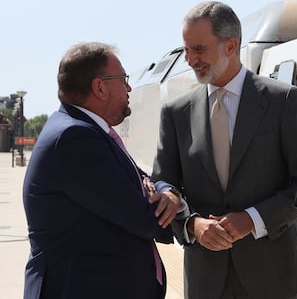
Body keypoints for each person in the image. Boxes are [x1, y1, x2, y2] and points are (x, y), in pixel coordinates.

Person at [151, 1, 297, 299]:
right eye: (186, 50)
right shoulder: (175, 113)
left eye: (199, 49)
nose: (190, 60)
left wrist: (253, 219)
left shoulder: (283, 101)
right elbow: (164, 183)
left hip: (272, 279)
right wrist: (192, 224)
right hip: (206, 280)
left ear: (230, 46)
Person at [22, 42, 182, 299]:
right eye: (123, 79)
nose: (129, 88)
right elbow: (142, 217)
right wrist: (184, 215)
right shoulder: (75, 138)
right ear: (99, 87)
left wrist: (165, 190)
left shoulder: (82, 129)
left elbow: (138, 176)